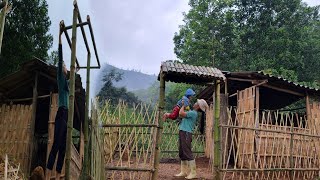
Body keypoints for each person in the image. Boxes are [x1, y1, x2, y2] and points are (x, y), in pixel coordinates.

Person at [46, 31, 69, 180]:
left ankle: (58, 172)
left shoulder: (67, 82)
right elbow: (60, 58)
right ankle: (48, 170)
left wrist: (75, 70)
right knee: (57, 141)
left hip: (66, 114)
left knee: (63, 146)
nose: (65, 67)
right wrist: (60, 36)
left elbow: (72, 71)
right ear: (61, 69)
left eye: (66, 66)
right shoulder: (61, 79)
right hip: (61, 112)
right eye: (64, 66)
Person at [166, 99, 208, 179]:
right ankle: (183, 172)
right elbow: (182, 114)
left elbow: (181, 113)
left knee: (187, 152)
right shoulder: (192, 112)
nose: (195, 103)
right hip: (183, 132)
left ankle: (193, 173)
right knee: (182, 152)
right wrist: (184, 106)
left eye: (196, 103)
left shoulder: (193, 113)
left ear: (198, 106)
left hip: (186, 133)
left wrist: (183, 105)